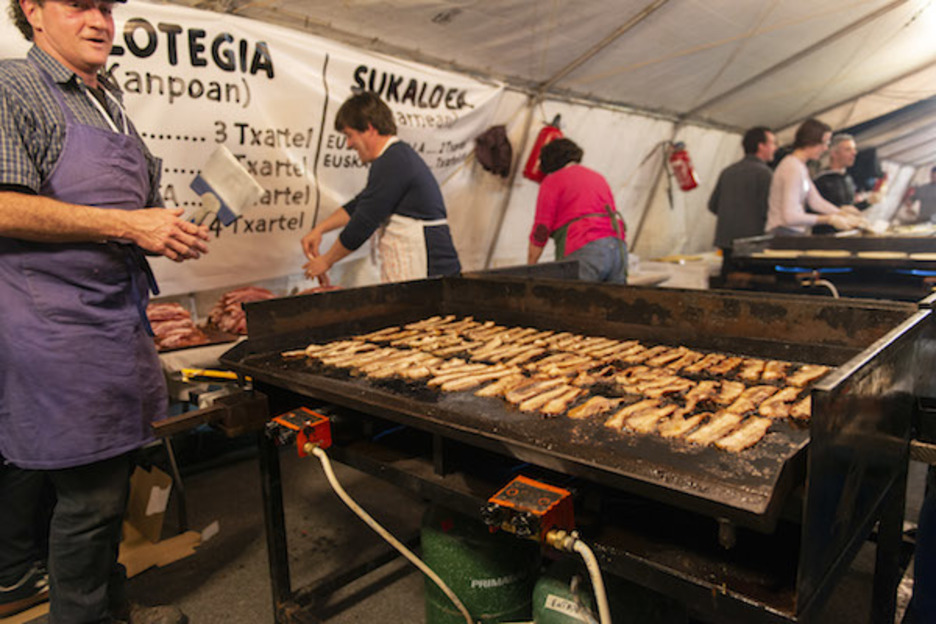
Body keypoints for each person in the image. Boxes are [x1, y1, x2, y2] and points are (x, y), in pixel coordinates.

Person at [0, 0, 210, 621]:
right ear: (34, 12)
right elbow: (4, 207)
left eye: (105, 8)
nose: (99, 22)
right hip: (54, 325)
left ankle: (110, 610)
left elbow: (132, 212)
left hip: (117, 317)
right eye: (78, 6)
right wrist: (130, 224)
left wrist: (168, 226)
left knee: (110, 489)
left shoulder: (108, 98)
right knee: (89, 502)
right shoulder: (15, 85)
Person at [301, 92, 461, 284]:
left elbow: (363, 222)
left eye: (349, 135)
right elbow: (360, 204)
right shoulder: (394, 158)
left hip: (429, 268)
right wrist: (320, 229)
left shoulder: (393, 160)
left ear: (369, 128)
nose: (349, 144)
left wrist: (326, 261)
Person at [526, 138, 627, 283]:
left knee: (574, 302)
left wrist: (531, 266)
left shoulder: (552, 180)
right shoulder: (598, 177)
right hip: (618, 249)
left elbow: (541, 228)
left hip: (585, 249)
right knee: (611, 303)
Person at [765, 118, 861, 236]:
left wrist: (842, 213)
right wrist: (829, 219)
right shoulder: (792, 168)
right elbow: (790, 216)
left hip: (791, 233)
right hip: (782, 233)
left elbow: (816, 201)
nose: (826, 148)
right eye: (824, 143)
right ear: (811, 141)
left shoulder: (800, 166)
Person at [707, 126, 777, 267]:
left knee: (728, 282)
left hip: (726, 242)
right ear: (761, 146)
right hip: (752, 244)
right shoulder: (765, 174)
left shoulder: (727, 172)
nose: (775, 148)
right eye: (773, 143)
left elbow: (712, 205)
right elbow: (768, 210)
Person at [811, 134, 867, 234]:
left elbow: (851, 208)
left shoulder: (848, 179)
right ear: (834, 153)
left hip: (847, 234)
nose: (854, 153)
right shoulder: (820, 180)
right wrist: (836, 213)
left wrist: (868, 202)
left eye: (854, 149)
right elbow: (811, 210)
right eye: (848, 150)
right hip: (826, 238)